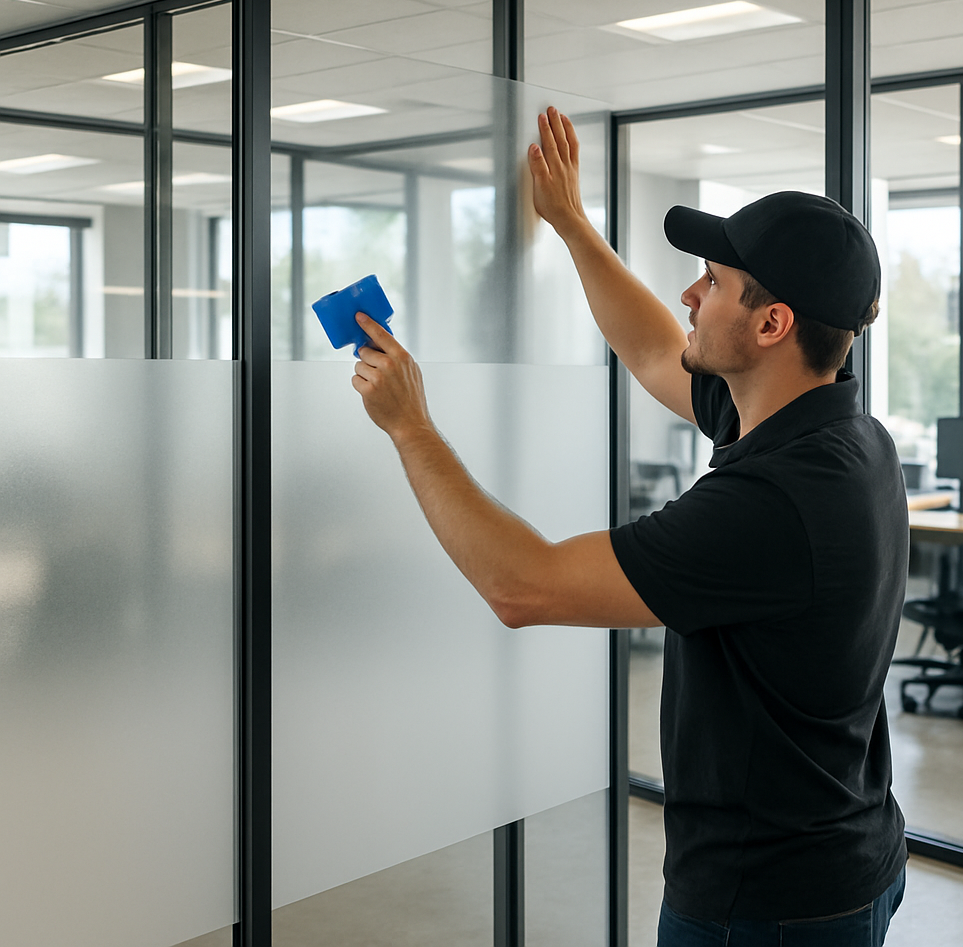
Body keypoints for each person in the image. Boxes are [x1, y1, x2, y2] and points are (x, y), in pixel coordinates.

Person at [351, 106, 909, 946]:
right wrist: (572, 226)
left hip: (766, 901)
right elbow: (654, 352)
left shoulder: (774, 501)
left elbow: (522, 586)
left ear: (772, 325)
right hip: (842, 856)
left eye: (712, 282)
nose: (690, 294)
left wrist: (410, 427)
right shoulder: (839, 430)